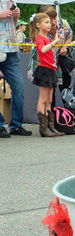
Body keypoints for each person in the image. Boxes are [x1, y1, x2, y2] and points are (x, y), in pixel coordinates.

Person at [0, 1, 32, 138]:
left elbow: (13, 23)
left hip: (12, 49)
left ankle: (15, 125)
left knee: (19, 88)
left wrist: (16, 16)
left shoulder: (12, 0)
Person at [30, 13, 64, 137]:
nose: (49, 25)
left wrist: (57, 42)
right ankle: (43, 128)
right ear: (38, 25)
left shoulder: (47, 38)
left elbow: (50, 52)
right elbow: (42, 50)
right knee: (43, 98)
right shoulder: (39, 38)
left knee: (49, 99)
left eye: (50, 22)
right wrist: (54, 41)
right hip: (43, 69)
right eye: (46, 22)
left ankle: (50, 126)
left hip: (51, 69)